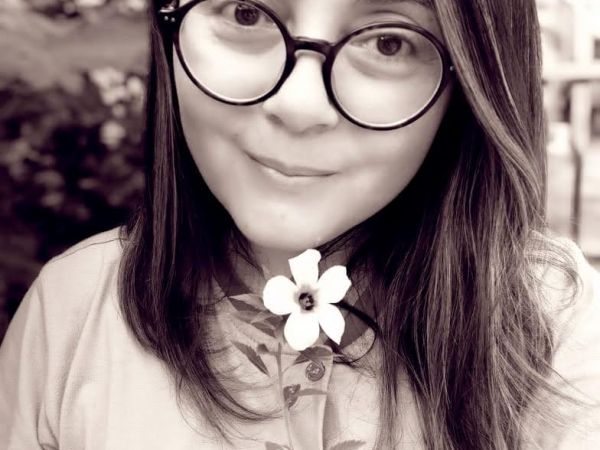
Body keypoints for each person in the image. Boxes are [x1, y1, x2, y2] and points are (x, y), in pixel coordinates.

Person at [1, 0, 599, 448]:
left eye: (389, 42)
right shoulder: (75, 311)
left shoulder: (553, 329)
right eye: (246, 12)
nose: (299, 104)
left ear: (474, 80)